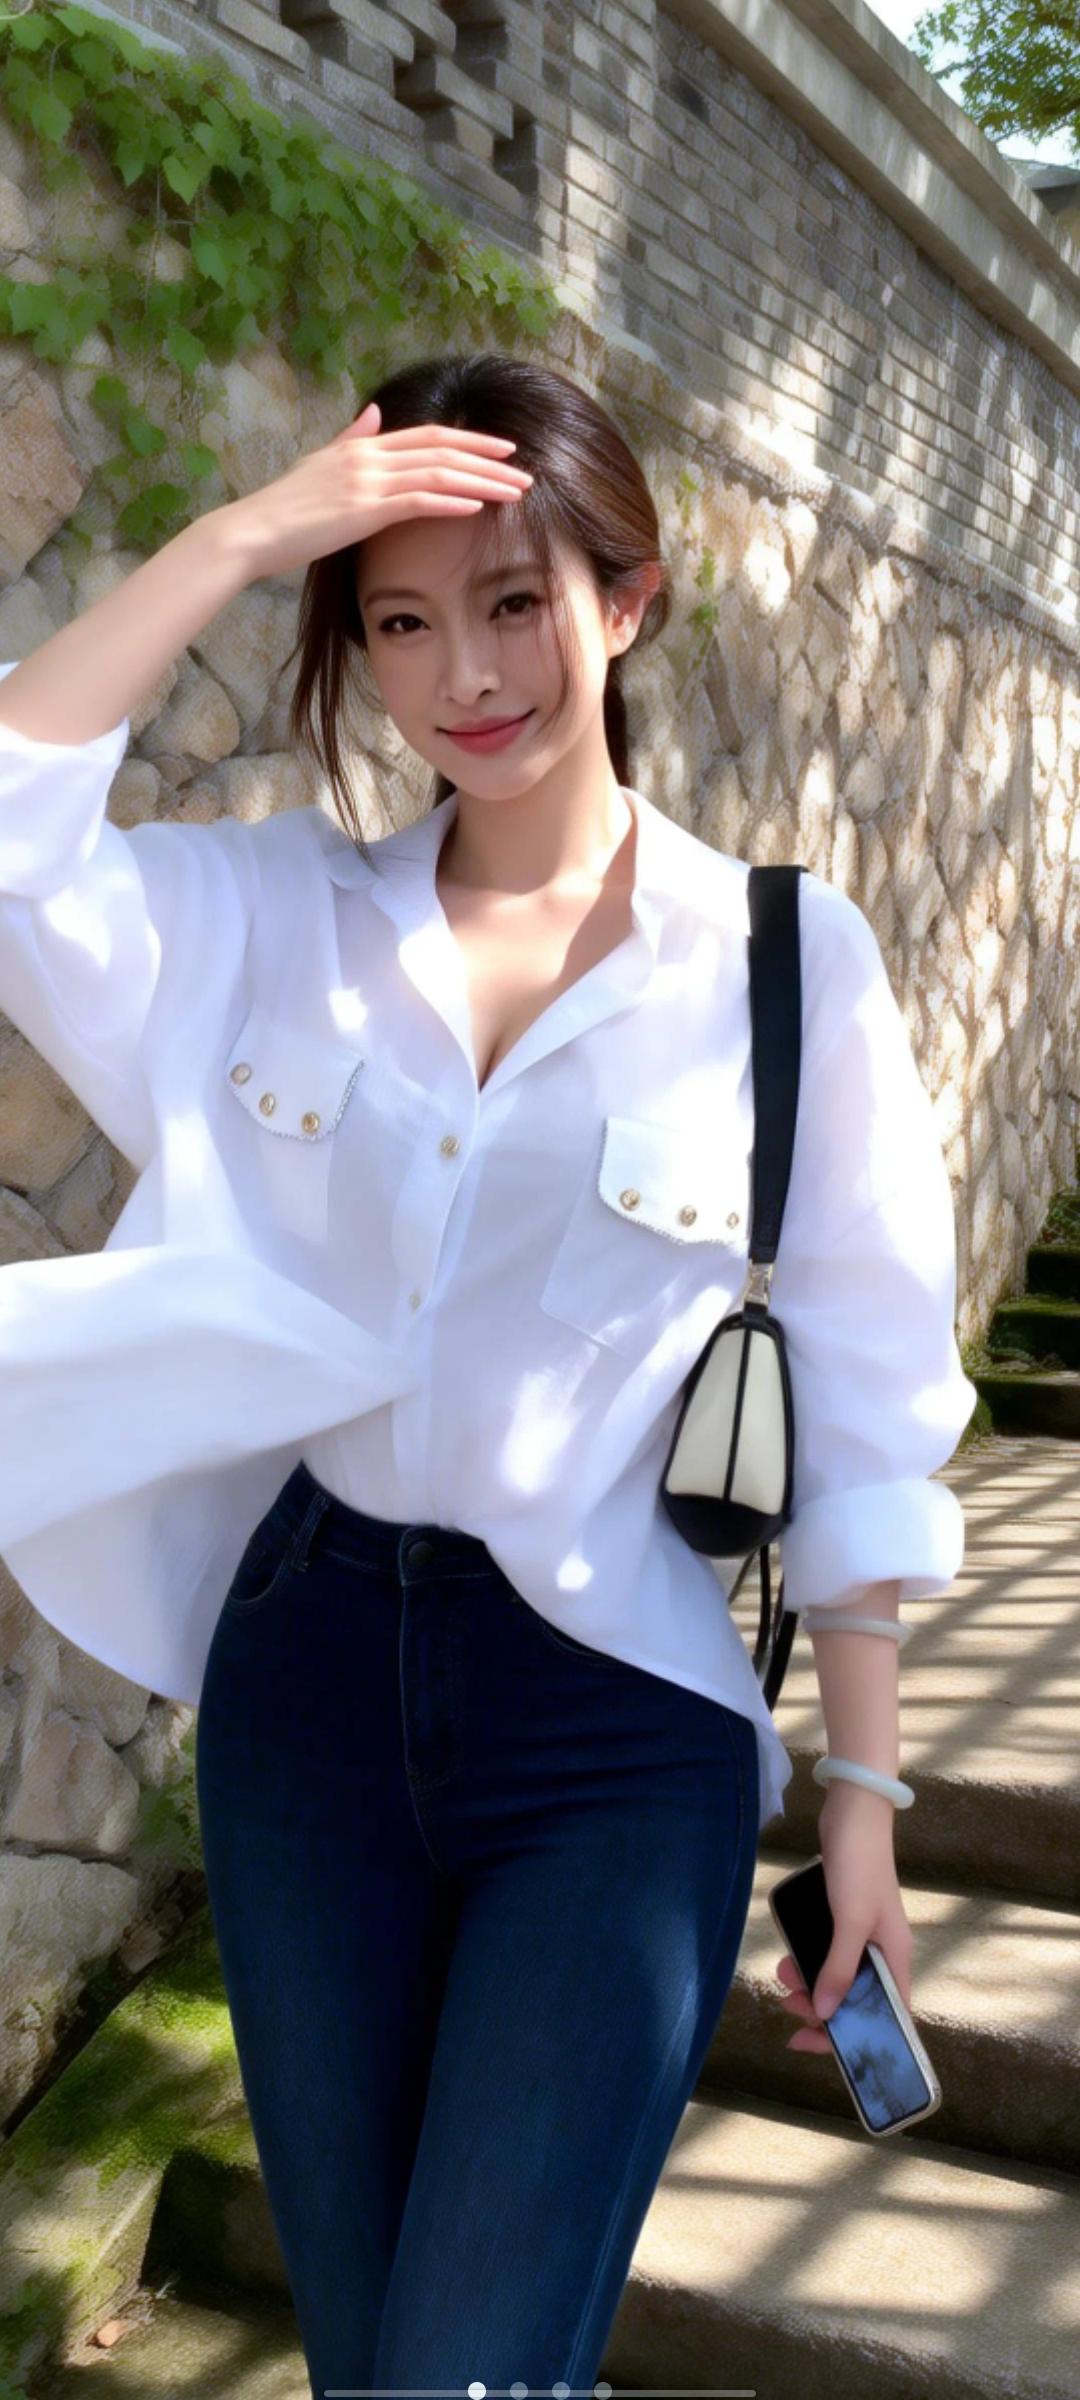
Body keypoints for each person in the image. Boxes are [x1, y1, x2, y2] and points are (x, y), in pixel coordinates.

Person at [0, 350, 975, 2397]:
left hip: (617, 1719)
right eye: (400, 620)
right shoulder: (273, 916)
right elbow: (12, 829)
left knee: (466, 2367)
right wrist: (248, 533)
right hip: (310, 1694)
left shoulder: (786, 968)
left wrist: (866, 1808)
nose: (466, 674)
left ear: (627, 598)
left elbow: (868, 1402)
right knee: (377, 2360)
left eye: (517, 601)